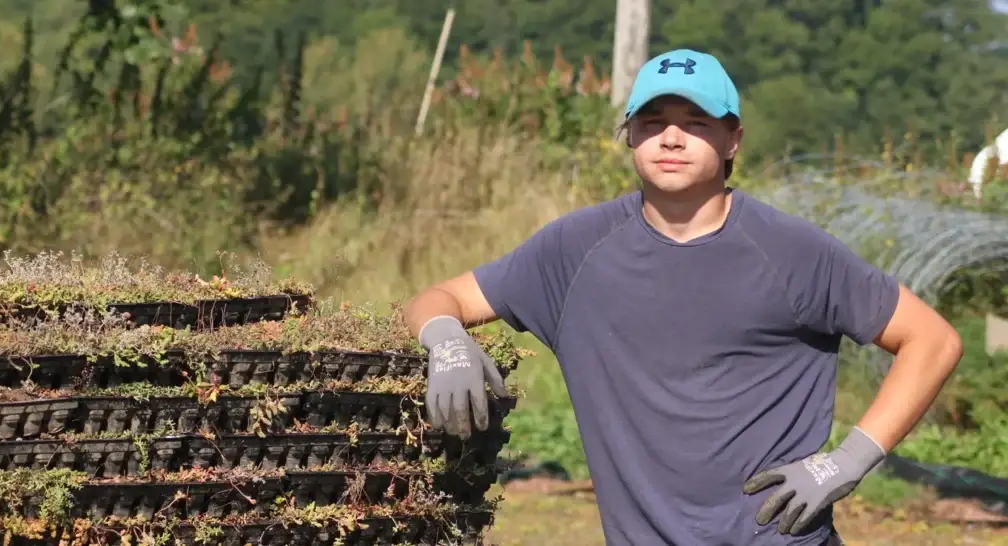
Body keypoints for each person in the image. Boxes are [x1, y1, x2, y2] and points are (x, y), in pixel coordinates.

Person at [401, 48, 963, 546]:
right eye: (653, 122)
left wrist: (849, 461)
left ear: (732, 140)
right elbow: (441, 296)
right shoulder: (574, 252)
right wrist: (445, 339)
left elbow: (932, 340)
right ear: (631, 136)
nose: (672, 137)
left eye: (696, 122)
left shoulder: (793, 252)